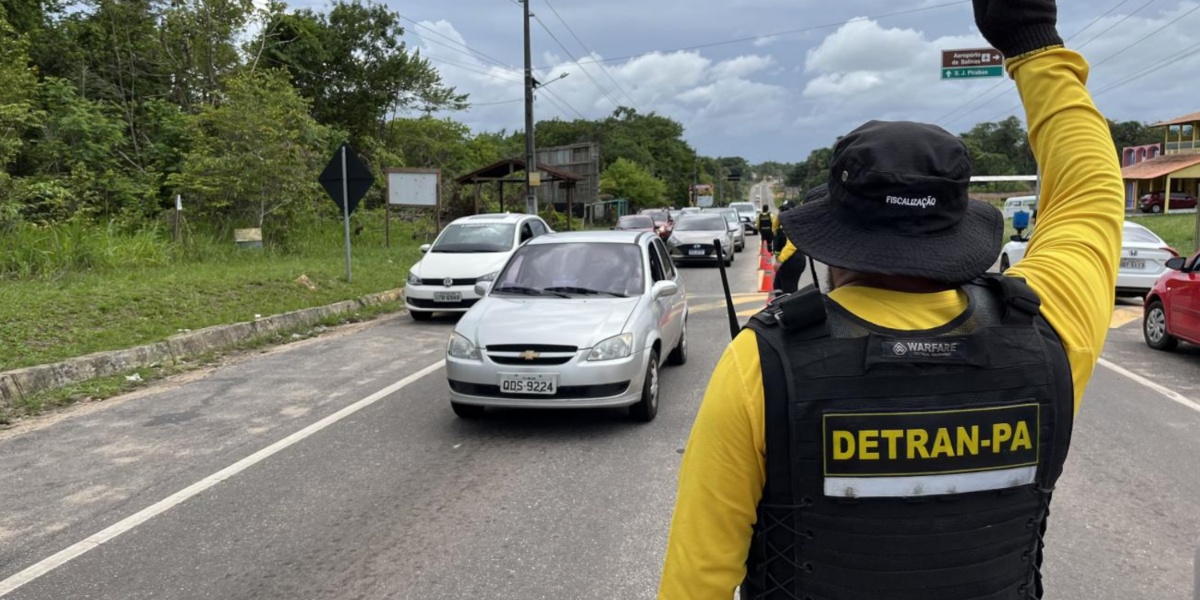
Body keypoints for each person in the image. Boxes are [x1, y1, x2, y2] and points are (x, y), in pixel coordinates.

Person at [658, 0, 1124, 598]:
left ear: (834, 243)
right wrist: (1032, 40)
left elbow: (697, 581)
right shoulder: (1049, 332)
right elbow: (1091, 196)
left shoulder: (762, 366)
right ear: (959, 232)